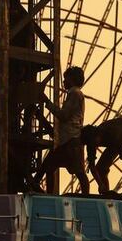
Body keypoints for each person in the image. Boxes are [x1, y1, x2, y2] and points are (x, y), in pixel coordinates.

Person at [32, 66, 90, 194]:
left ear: (73, 79)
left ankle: (48, 194)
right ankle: (47, 192)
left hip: (71, 140)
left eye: (66, 79)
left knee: (73, 170)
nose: (64, 82)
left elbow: (64, 115)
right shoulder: (75, 94)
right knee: (52, 166)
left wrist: (47, 102)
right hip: (68, 140)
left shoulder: (75, 93)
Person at [81, 117, 122, 201]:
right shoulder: (90, 141)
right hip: (114, 141)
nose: (95, 145)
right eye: (91, 144)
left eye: (95, 142)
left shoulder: (112, 134)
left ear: (97, 135)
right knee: (101, 168)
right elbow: (92, 166)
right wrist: (100, 184)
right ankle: (107, 195)